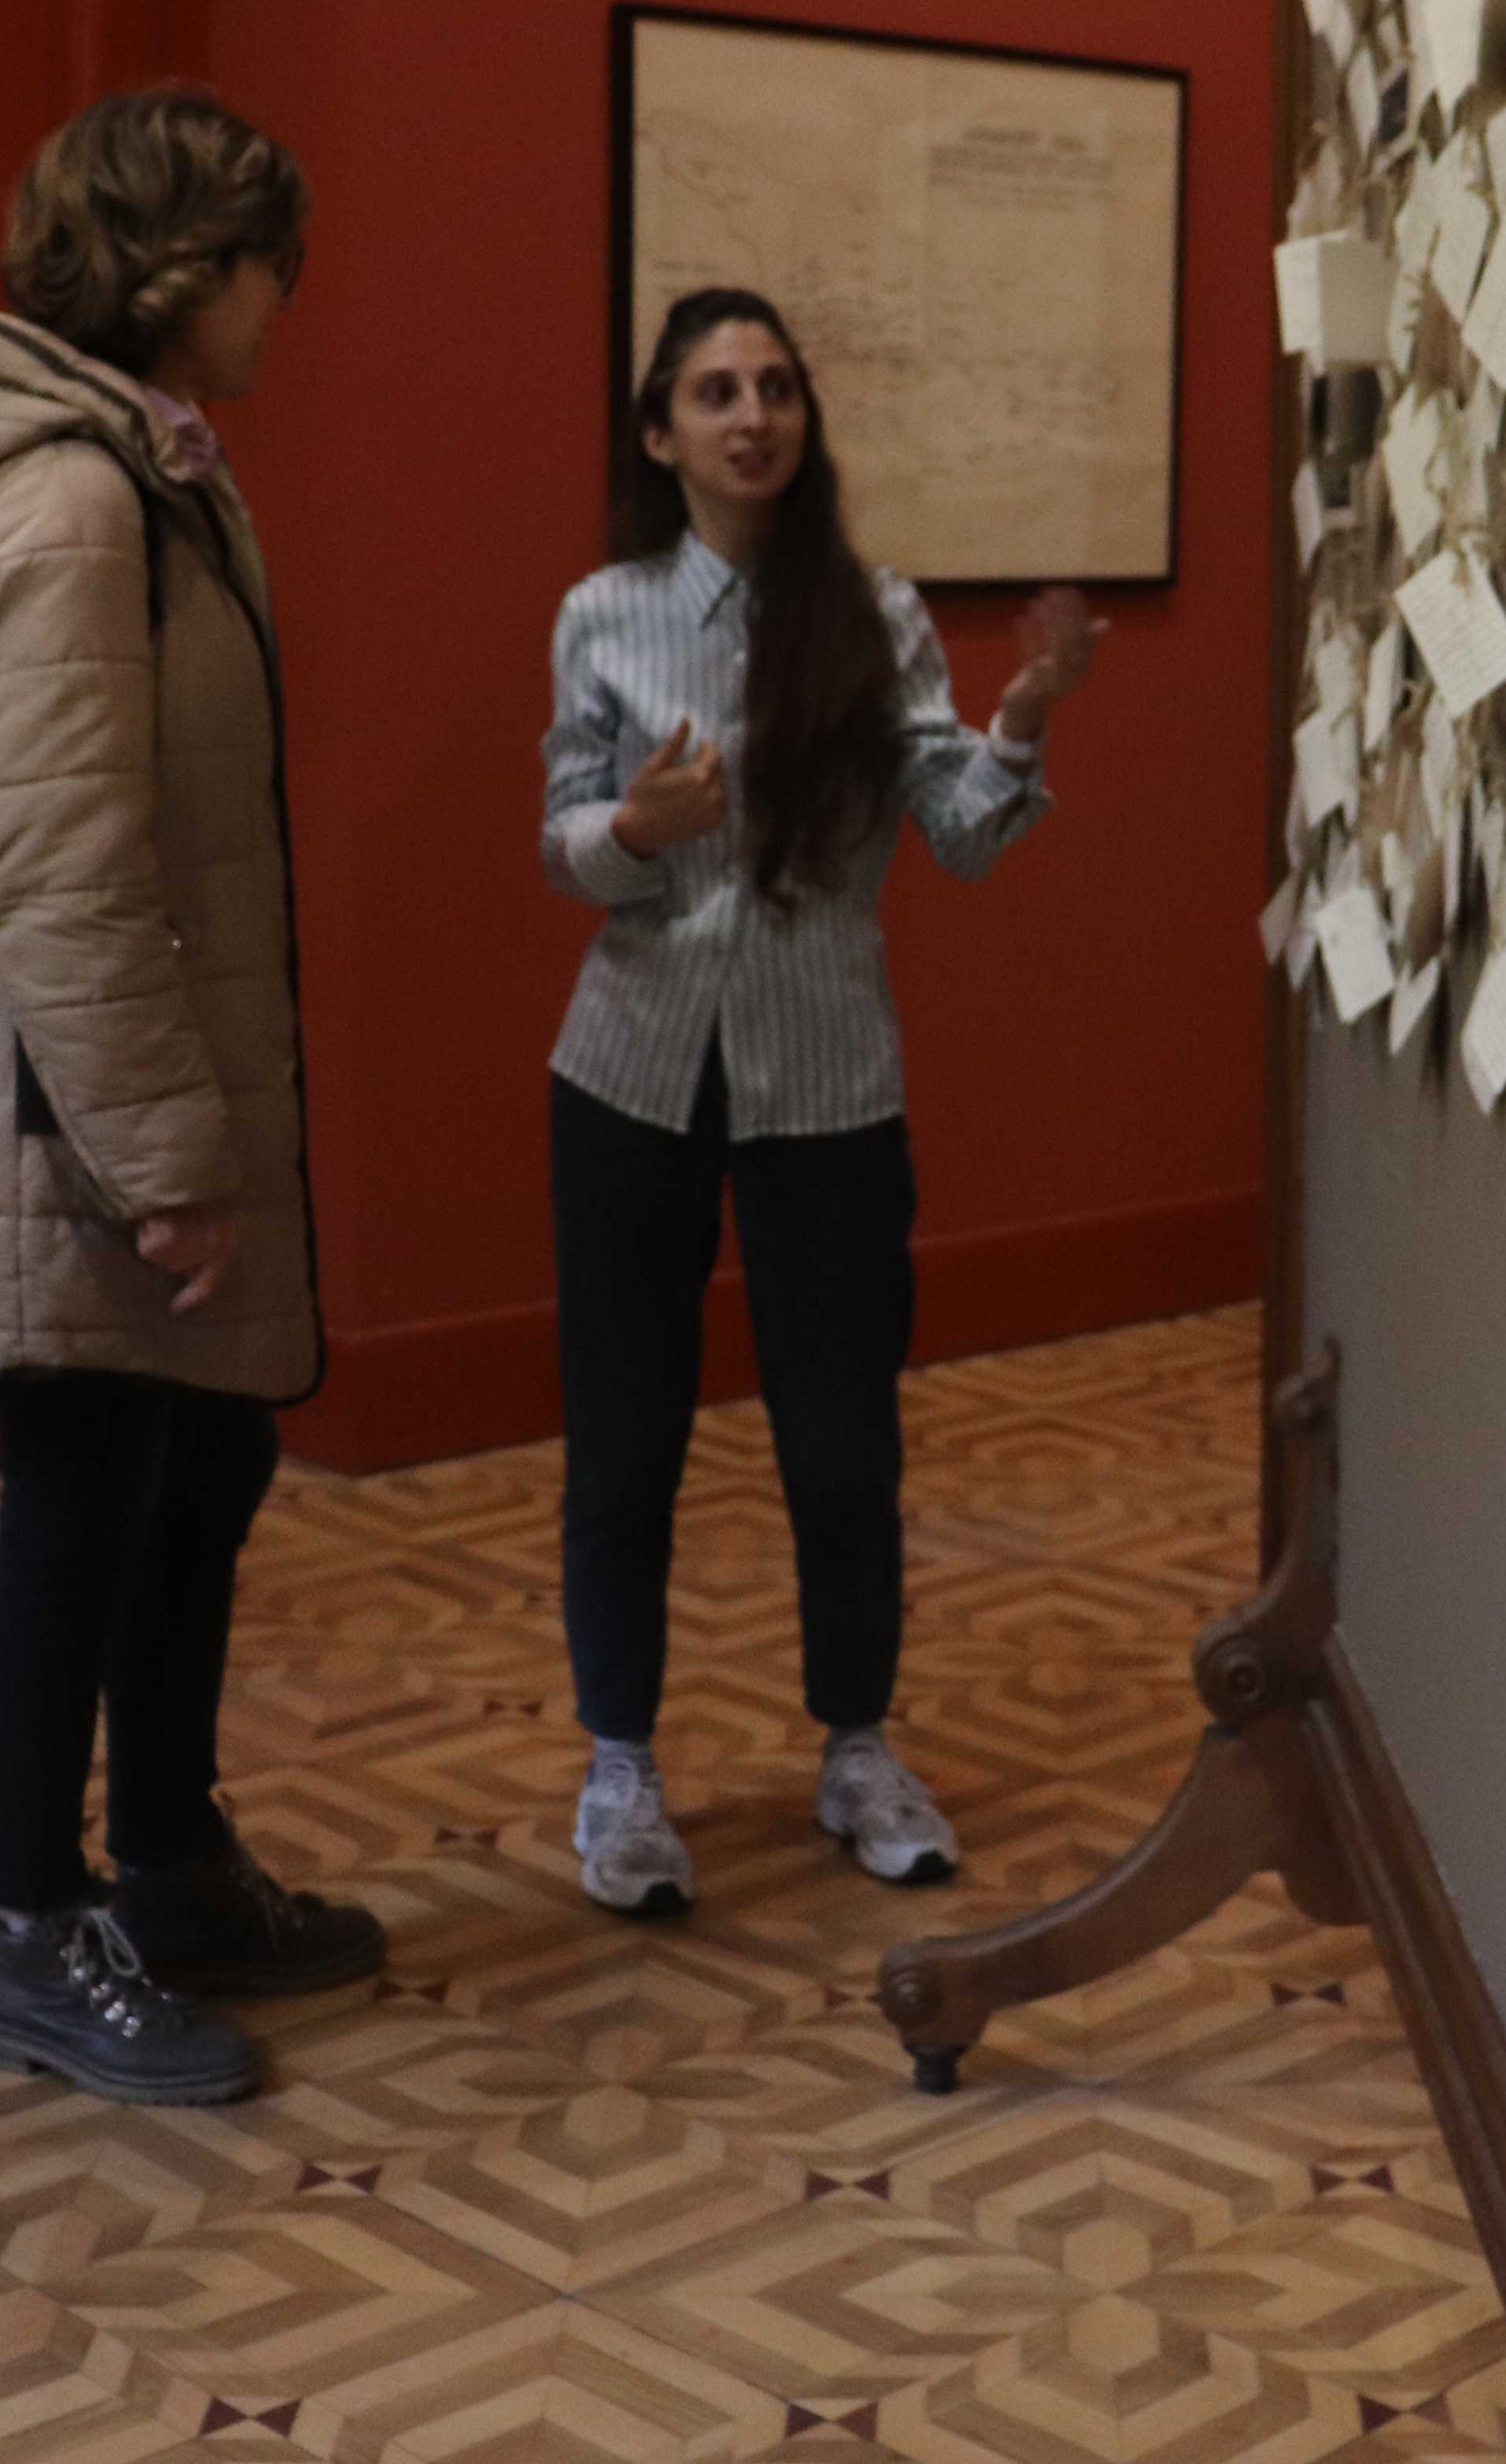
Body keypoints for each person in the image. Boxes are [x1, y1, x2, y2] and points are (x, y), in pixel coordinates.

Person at [0, 85, 380, 2106]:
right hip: (61, 1106)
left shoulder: (140, 471)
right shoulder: (64, 506)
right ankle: (34, 1930)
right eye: (268, 263)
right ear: (179, 268)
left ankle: (170, 1860)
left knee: (198, 1467)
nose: (283, 299)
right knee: (77, 1503)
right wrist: (164, 1161)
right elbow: (62, 873)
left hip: (114, 1084)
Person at [538, 287, 1103, 1917]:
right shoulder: (603, 612)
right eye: (717, 391)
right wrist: (633, 832)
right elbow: (559, 838)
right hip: (631, 1072)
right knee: (624, 1440)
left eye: (776, 387)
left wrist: (1023, 716)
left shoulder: (876, 613)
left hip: (828, 1077)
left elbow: (964, 835)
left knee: (844, 1441)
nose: (753, 415)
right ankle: (621, 1767)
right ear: (662, 433)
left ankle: (857, 1747)